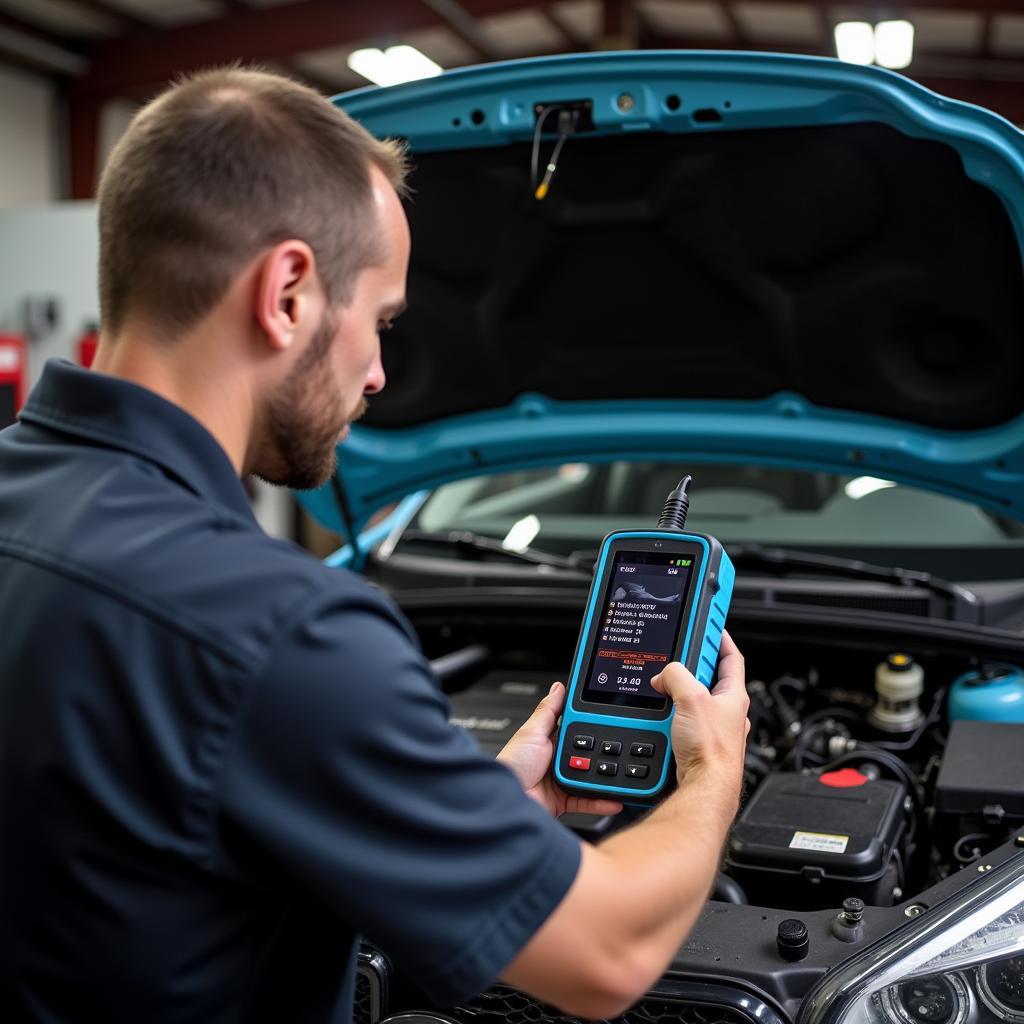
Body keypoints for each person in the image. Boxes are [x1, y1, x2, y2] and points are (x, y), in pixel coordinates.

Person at [0, 67, 749, 1023]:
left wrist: (442, 810)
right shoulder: (280, 630)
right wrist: (715, 770)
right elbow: (607, 951)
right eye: (382, 321)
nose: (382, 375)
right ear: (288, 292)